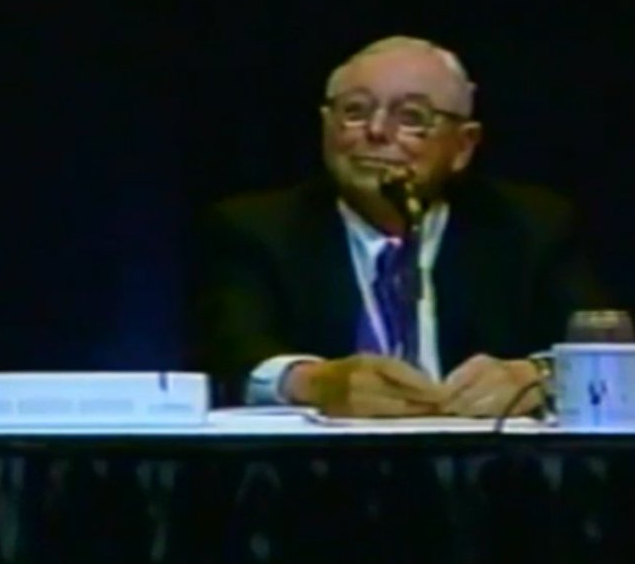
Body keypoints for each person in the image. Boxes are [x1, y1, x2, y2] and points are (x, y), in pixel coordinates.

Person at [192, 35, 611, 417]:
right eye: (354, 112)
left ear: (463, 146)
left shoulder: (530, 224)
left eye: (411, 117)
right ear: (326, 127)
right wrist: (315, 383)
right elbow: (230, 353)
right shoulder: (257, 228)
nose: (376, 131)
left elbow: (605, 348)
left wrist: (537, 377)